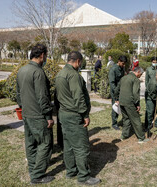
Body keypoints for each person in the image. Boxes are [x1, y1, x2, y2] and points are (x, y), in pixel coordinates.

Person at [55, 51, 100, 185]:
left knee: (68, 145)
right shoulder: (73, 75)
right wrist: (85, 115)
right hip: (74, 115)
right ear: (78, 61)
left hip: (64, 114)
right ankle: (84, 176)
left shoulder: (60, 74)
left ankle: (71, 171)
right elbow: (79, 97)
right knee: (81, 147)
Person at [16, 44, 55, 184]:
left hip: (26, 114)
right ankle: (38, 175)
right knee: (45, 143)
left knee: (30, 144)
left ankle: (33, 169)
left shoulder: (21, 70)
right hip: (38, 116)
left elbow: (18, 94)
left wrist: (24, 107)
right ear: (42, 55)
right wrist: (48, 116)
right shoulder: (38, 72)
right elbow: (43, 97)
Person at [114, 67, 149, 143]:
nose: (141, 75)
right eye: (141, 74)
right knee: (136, 119)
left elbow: (116, 89)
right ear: (138, 71)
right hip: (129, 102)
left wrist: (116, 98)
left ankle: (124, 135)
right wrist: (137, 104)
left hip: (122, 102)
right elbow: (135, 93)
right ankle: (141, 138)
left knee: (126, 119)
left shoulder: (124, 78)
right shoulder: (135, 80)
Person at [108, 55, 127, 130]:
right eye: (122, 63)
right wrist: (116, 94)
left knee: (122, 105)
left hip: (121, 89)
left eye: (124, 63)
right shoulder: (113, 70)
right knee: (115, 106)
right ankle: (114, 123)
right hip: (115, 91)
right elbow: (112, 83)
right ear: (119, 61)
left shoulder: (122, 68)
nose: (124, 65)